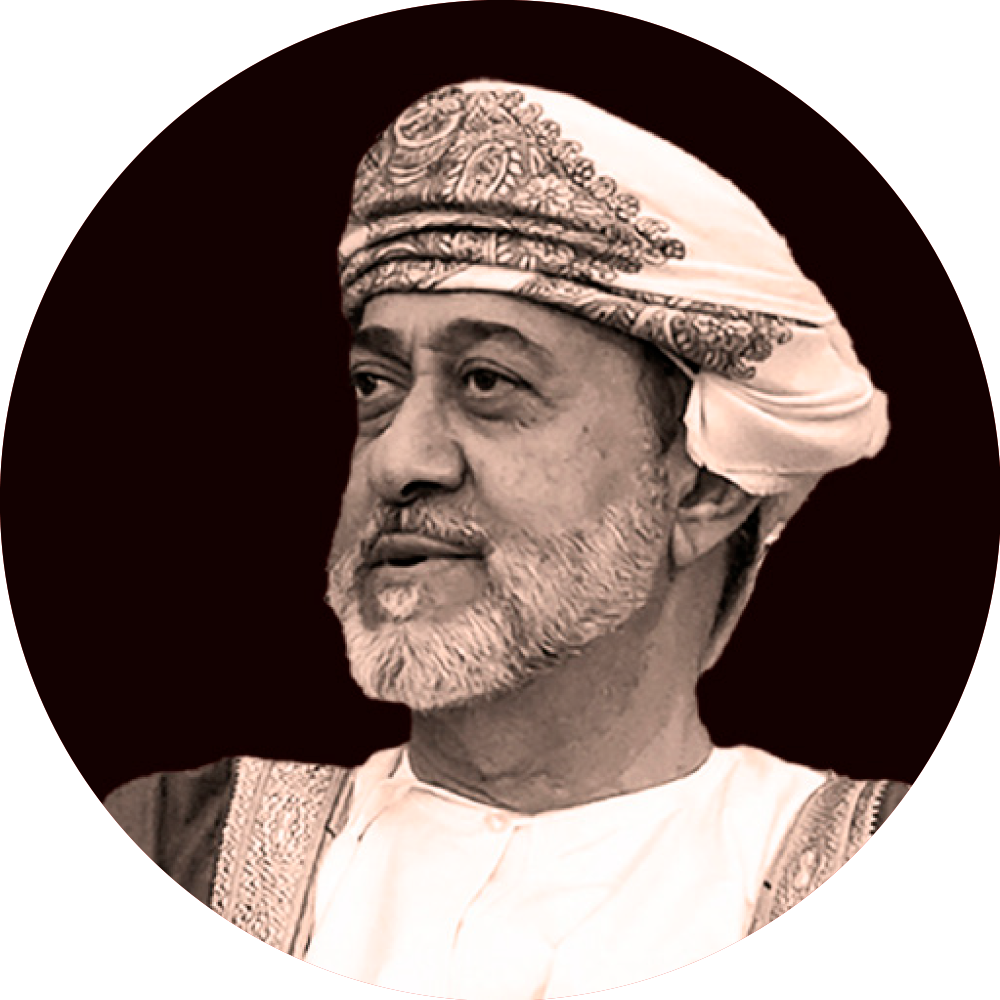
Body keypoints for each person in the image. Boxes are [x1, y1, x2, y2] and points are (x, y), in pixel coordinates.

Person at [104, 80, 909, 995]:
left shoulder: (838, 852)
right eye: (375, 387)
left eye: (488, 382)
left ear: (705, 490)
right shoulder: (179, 845)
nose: (397, 461)